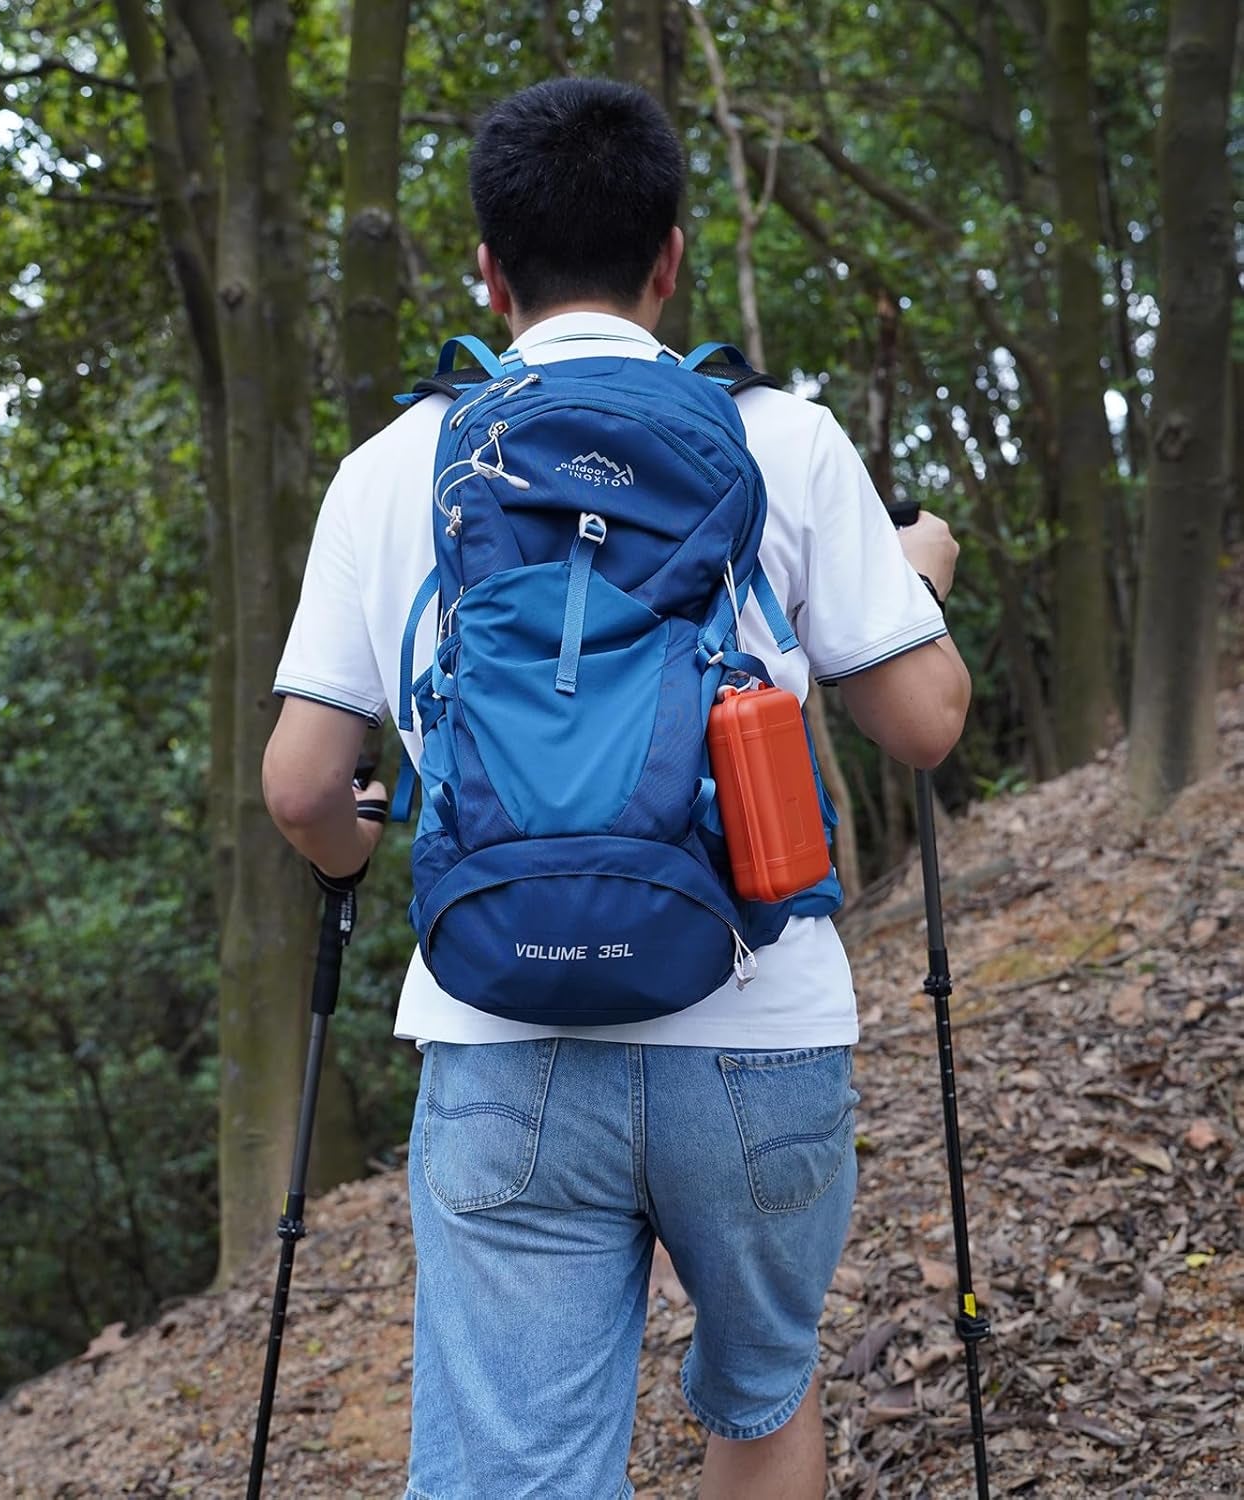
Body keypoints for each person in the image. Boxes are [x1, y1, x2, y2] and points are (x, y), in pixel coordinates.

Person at [263, 78, 970, 1500]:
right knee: (762, 1411)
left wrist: (351, 856)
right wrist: (923, 572)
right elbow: (927, 722)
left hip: (499, 1021)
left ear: (488, 267)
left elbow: (300, 787)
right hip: (759, 1023)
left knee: (513, 1472)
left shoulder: (398, 465)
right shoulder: (783, 438)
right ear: (671, 258)